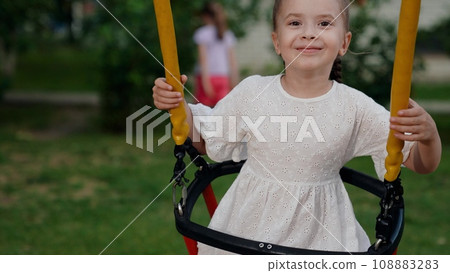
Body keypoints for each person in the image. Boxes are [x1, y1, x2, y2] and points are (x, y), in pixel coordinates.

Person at [152, 0, 441, 254]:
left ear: (344, 42)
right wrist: (179, 107)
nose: (308, 32)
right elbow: (207, 141)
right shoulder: (252, 92)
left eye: (325, 23)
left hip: (322, 236)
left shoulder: (355, 107)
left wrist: (429, 138)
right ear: (277, 41)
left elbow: (418, 162)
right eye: (295, 22)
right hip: (246, 226)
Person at [193, 1, 239, 107]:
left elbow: (203, 60)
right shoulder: (227, 34)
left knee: (202, 113)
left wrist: (206, 82)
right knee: (222, 112)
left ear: (205, 16)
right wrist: (235, 82)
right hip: (223, 78)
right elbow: (232, 61)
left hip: (207, 77)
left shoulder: (202, 33)